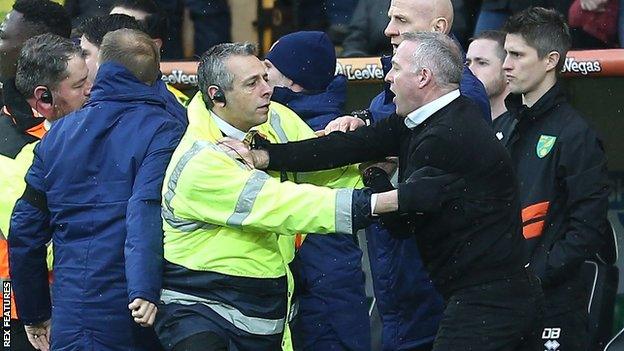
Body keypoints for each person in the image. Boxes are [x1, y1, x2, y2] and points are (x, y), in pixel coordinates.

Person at [222, 31, 544, 351]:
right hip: (491, 293)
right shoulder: (426, 119)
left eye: (396, 68)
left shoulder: (447, 136)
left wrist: (375, 176)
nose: (388, 77)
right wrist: (267, 155)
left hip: (490, 301)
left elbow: (401, 223)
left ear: (422, 78)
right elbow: (350, 146)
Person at [152, 42, 434, 351]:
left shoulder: (276, 118)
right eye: (252, 83)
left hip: (265, 305)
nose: (267, 89)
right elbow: (285, 203)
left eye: (264, 76)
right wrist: (377, 203)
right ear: (217, 96)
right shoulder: (201, 160)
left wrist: (370, 168)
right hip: (202, 307)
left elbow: (319, 171)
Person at [327, 1, 491, 349]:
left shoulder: (460, 96)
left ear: (438, 28)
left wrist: (373, 171)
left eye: (400, 19)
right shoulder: (392, 89)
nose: (388, 29)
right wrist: (362, 121)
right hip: (401, 276)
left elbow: (429, 202)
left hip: (430, 280)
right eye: (389, 18)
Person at [9, 28, 186, 351]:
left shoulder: (57, 136)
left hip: (72, 313)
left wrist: (34, 313)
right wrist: (143, 290)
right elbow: (144, 208)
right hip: (135, 312)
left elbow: (24, 231)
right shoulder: (165, 128)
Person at [501, 7, 610, 350]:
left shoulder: (575, 134)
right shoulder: (504, 126)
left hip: (555, 308)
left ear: (550, 61)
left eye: (517, 54)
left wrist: (535, 275)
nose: (506, 63)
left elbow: (587, 227)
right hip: (502, 301)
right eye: (505, 53)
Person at [264, 31, 370, 351]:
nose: (261, 76)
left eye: (269, 68)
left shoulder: (331, 133)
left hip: (325, 292)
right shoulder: (281, 120)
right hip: (317, 286)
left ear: (294, 82)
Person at [0, 2, 71, 349]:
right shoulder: (7, 120)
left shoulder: (77, 124)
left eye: (2, 35)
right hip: (10, 295)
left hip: (65, 295)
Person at [74, 13, 188, 125]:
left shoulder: (162, 119)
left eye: (85, 54)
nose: (79, 61)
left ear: (105, 55)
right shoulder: (162, 107)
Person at [109, 0, 190, 105]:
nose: (107, 38)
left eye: (123, 31)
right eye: (108, 24)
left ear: (153, 45)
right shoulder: (84, 90)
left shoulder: (172, 106)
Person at [466, 30, 510, 121]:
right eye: (468, 63)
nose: (470, 71)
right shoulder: (463, 119)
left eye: (482, 63)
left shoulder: (520, 125)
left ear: (507, 68)